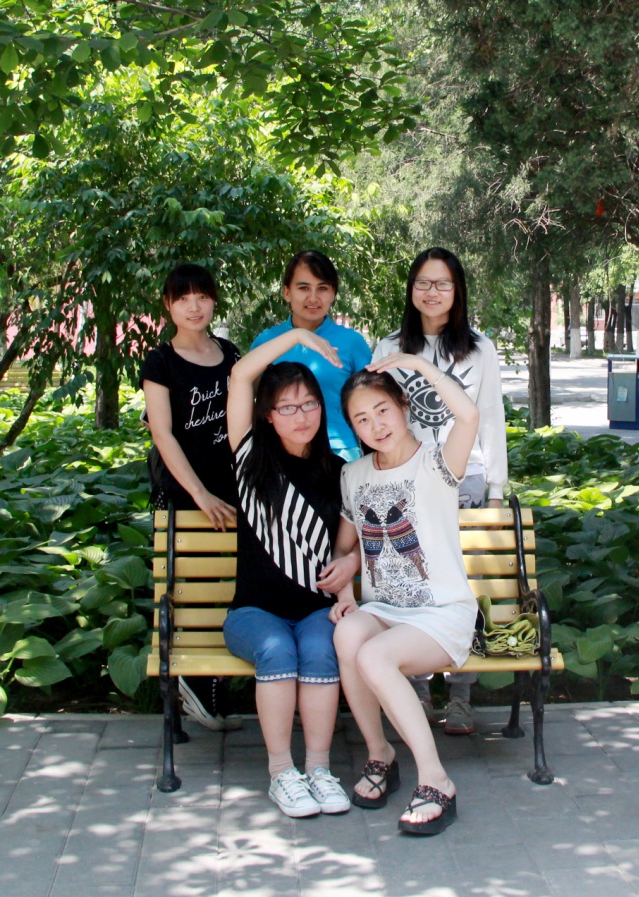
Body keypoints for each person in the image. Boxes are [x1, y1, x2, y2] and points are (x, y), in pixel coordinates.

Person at [333, 356, 481, 836]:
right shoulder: (354, 474)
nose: (375, 425)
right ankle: (381, 755)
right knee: (347, 634)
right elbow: (346, 546)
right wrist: (345, 583)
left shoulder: (437, 462)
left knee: (373, 655)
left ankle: (436, 780)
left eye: (382, 410)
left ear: (402, 405)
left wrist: (418, 365)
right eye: (361, 419)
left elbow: (469, 415)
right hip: (384, 609)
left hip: (441, 613)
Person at [221, 327, 362, 818]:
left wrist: (351, 564)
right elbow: (241, 375)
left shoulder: (339, 471)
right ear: (267, 414)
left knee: (321, 650)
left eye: (309, 404)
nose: (301, 416)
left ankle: (319, 771)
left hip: (315, 610)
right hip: (253, 613)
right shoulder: (249, 458)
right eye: (286, 407)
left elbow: (354, 544)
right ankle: (282, 773)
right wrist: (299, 333)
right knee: (277, 649)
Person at [371, 247, 508, 736]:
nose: (432, 292)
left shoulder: (479, 349)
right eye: (423, 283)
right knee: (411, 587)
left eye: (442, 284)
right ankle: (417, 690)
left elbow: (489, 417)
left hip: (463, 483)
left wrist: (496, 490)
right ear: (411, 289)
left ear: (457, 291)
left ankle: (462, 696)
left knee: (461, 589)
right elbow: (376, 417)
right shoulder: (389, 347)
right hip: (406, 486)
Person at [139, 263, 242, 732]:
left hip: (232, 491)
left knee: (228, 588)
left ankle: (212, 695)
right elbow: (161, 433)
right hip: (184, 495)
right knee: (187, 591)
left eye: (202, 296)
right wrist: (199, 494)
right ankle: (191, 688)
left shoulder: (229, 353)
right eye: (183, 298)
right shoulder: (159, 362)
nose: (194, 306)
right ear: (168, 305)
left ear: (214, 300)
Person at [252, 250, 372, 461]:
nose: (313, 298)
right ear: (286, 292)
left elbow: (372, 400)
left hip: (339, 452)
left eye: (323, 288)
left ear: (333, 293)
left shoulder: (352, 342)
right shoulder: (266, 342)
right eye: (304, 288)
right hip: (280, 454)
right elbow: (250, 399)